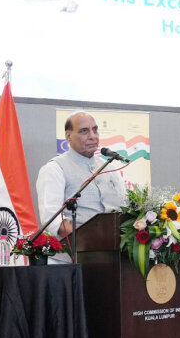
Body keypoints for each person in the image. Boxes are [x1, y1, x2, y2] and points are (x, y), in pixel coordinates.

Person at [35, 112, 126, 263]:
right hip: (72, 261)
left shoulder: (110, 167)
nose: (92, 136)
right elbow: (52, 219)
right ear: (68, 136)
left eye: (95, 130)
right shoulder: (55, 168)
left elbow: (124, 207)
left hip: (113, 258)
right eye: (84, 131)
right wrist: (88, 243)